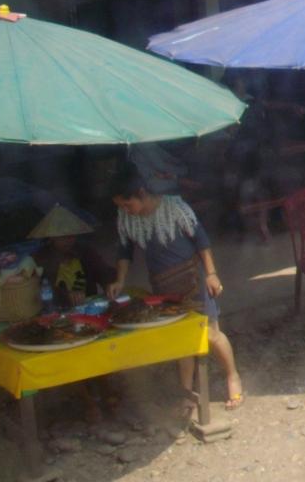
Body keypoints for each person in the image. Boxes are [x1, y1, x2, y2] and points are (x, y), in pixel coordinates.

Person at [106, 169, 244, 412]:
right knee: (181, 340)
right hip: (163, 287)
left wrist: (211, 274)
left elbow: (201, 240)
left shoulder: (175, 208)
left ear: (141, 193)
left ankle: (233, 376)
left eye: (128, 204)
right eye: (121, 206)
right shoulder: (127, 218)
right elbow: (125, 251)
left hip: (193, 281)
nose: (125, 210)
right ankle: (187, 393)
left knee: (212, 335)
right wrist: (120, 280)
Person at [29, 203, 119, 422]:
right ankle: (88, 402)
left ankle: (107, 392)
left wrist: (110, 283)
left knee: (97, 352)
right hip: (58, 315)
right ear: (51, 238)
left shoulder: (85, 252)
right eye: (62, 237)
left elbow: (104, 271)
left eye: (71, 236)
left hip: (89, 312)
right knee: (69, 358)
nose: (68, 240)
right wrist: (63, 294)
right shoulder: (40, 259)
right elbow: (37, 290)